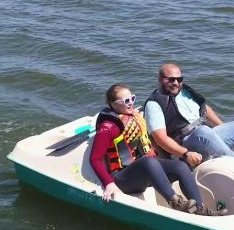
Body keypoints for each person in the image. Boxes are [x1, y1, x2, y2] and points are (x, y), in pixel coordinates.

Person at [89, 83, 223, 216]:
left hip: (143, 171)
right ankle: (175, 202)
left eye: (132, 99)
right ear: (113, 104)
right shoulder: (108, 127)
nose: (131, 103)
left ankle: (200, 208)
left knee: (180, 166)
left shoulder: (133, 116)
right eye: (126, 101)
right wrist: (109, 183)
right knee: (149, 161)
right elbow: (95, 159)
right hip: (122, 178)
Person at [144, 63, 234, 170]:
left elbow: (204, 109)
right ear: (160, 79)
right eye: (171, 79)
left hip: (206, 135)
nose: (176, 83)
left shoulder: (185, 92)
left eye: (179, 79)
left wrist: (223, 128)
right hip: (185, 145)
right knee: (203, 131)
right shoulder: (154, 104)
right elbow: (161, 139)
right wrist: (186, 154)